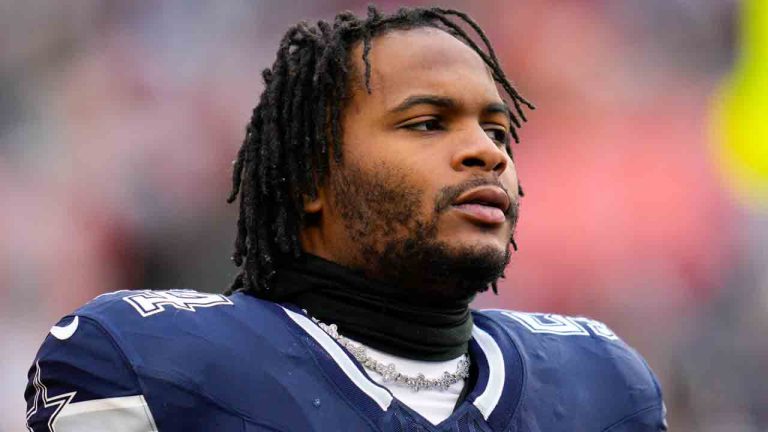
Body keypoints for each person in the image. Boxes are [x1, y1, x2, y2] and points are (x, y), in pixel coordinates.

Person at [25, 6, 667, 431]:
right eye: (428, 123)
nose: (487, 152)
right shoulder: (152, 365)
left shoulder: (602, 384)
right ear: (312, 177)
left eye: (498, 131)